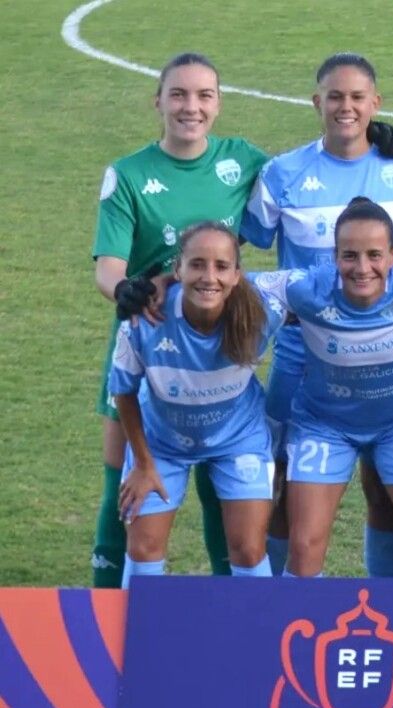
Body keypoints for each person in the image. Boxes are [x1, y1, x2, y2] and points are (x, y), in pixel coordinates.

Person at [240, 52, 393, 577]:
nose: (345, 107)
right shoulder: (282, 173)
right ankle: (283, 606)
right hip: (301, 361)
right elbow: (244, 242)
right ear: (316, 101)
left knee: (383, 488)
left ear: (376, 103)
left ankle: (384, 600)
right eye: (335, 96)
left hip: (385, 361)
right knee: (282, 487)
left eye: (357, 97)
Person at [91, 52, 267, 587]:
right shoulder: (128, 174)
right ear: (159, 101)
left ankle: (225, 608)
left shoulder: (245, 161)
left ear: (218, 103)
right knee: (122, 478)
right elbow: (109, 269)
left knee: (225, 490)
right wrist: (129, 289)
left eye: (204, 95)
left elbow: (317, 173)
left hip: (218, 346)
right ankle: (105, 609)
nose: (192, 106)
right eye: (179, 95)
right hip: (146, 343)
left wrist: (376, 139)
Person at [250, 198, 393, 579]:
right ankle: (297, 631)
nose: (362, 268)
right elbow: (230, 279)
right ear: (333, 256)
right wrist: (165, 283)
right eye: (350, 256)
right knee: (305, 544)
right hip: (325, 427)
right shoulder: (305, 287)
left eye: (375, 255)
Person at [108, 222, 281, 587]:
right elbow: (123, 392)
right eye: (197, 264)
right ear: (177, 270)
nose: (209, 276)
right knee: (143, 549)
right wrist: (142, 463)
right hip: (161, 444)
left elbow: (318, 282)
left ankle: (258, 639)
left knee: (249, 549)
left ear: (237, 274)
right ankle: (140, 640)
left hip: (238, 439)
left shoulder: (262, 309)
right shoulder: (144, 320)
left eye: (221, 266)